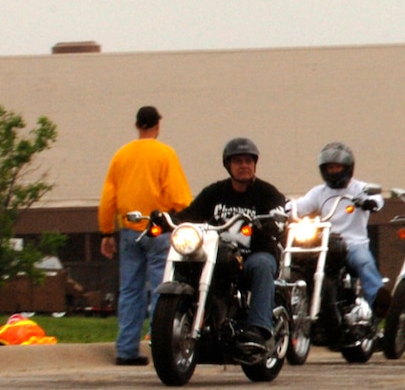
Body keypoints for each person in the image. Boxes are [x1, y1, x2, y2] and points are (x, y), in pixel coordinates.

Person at [173, 137, 286, 361]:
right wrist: (166, 219)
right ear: (228, 165)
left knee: (263, 264)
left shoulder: (267, 193)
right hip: (218, 257)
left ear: (255, 164)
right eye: (238, 161)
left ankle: (258, 329)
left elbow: (280, 215)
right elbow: (189, 215)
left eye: (248, 161)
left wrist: (274, 222)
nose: (244, 165)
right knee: (188, 263)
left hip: (253, 255)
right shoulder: (214, 193)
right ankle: (179, 319)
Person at [98, 105, 192, 366]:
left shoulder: (121, 156)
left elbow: (108, 198)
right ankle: (161, 343)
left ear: (137, 125)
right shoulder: (165, 154)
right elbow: (178, 196)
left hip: (129, 230)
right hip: (158, 230)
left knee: (129, 290)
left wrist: (106, 232)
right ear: (157, 125)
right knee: (162, 289)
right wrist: (186, 219)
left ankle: (126, 350)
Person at [292, 142, 385, 311]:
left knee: (364, 263)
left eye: (337, 167)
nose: (333, 171)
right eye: (330, 168)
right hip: (325, 244)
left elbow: (378, 199)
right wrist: (283, 207)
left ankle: (380, 307)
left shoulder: (359, 188)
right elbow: (300, 206)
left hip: (353, 244)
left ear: (348, 167)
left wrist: (369, 202)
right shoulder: (318, 192)